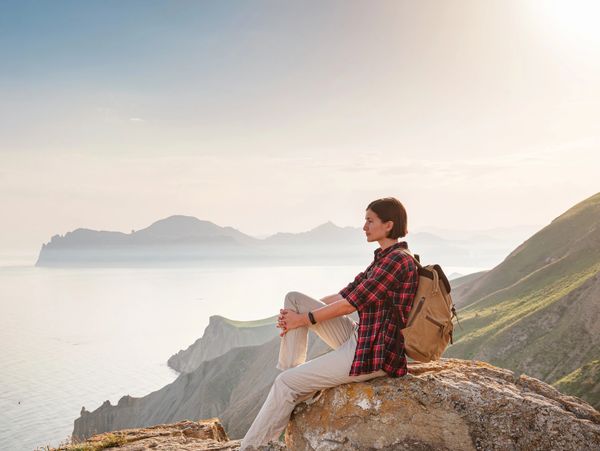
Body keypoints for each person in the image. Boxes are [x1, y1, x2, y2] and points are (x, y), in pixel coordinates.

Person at [239, 197, 419, 450]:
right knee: (294, 298)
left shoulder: (397, 262)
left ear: (388, 225)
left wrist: (302, 320)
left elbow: (349, 305)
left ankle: (251, 446)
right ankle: (294, 377)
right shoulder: (384, 258)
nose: (364, 226)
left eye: (370, 220)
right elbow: (343, 295)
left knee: (285, 384)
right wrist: (296, 317)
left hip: (372, 353)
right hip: (362, 336)